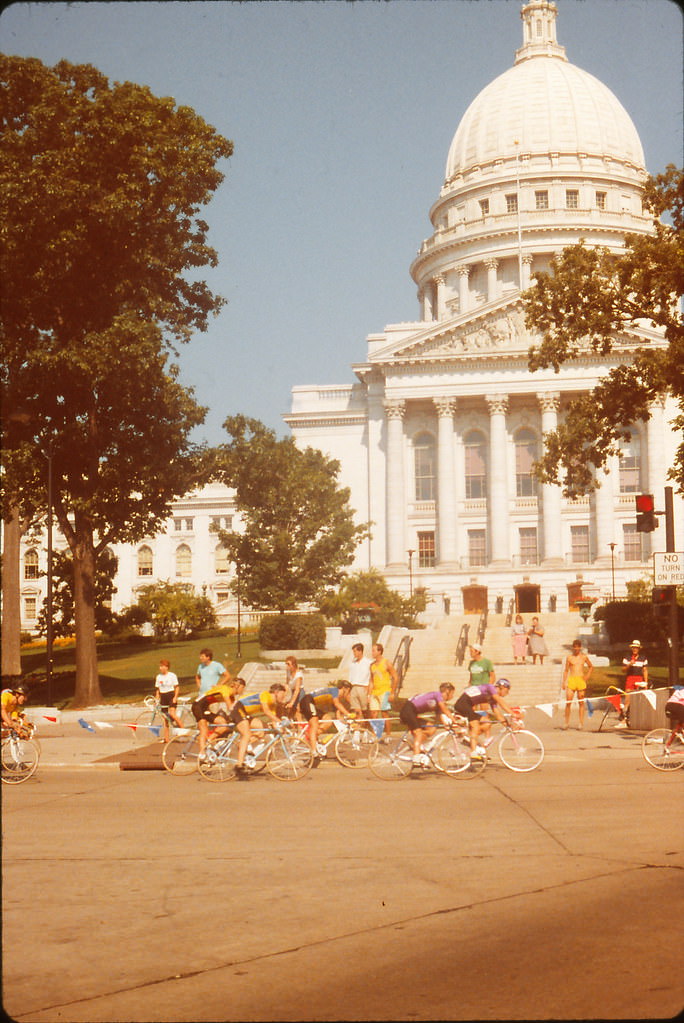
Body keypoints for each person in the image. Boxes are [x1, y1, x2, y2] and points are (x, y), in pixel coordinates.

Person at [230, 683, 290, 779]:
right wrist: (281, 721)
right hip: (238, 709)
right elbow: (266, 711)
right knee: (247, 734)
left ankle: (244, 746)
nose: (284, 697)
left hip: (246, 714)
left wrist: (282, 729)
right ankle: (239, 764)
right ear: (276, 692)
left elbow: (273, 721)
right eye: (283, 694)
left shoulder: (273, 704)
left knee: (264, 730)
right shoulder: (265, 695)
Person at [453, 678, 516, 758]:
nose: (507, 693)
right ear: (502, 687)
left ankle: (468, 739)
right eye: (507, 691)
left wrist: (506, 724)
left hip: (468, 705)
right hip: (463, 704)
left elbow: (497, 713)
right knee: (475, 725)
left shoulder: (493, 698)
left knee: (486, 723)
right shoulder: (490, 688)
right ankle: (473, 752)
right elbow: (501, 702)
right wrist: (513, 714)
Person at [192, 676, 245, 764]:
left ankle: (208, 741)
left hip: (205, 707)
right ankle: (202, 754)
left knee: (224, 724)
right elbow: (229, 707)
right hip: (198, 705)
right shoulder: (226, 690)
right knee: (204, 729)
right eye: (242, 688)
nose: (242, 691)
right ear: (237, 686)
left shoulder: (232, 696)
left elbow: (233, 709)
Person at [298, 681, 353, 765]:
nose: (348, 695)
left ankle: (312, 737)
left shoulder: (335, 697)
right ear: (346, 689)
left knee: (328, 720)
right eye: (349, 693)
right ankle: (313, 751)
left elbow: (338, 716)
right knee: (314, 722)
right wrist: (348, 714)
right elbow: (337, 704)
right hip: (307, 700)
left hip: (313, 704)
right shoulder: (334, 691)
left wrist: (346, 720)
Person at [399, 683, 455, 765]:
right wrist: (453, 719)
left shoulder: (438, 701)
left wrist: (447, 726)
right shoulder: (438, 695)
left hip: (412, 712)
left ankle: (416, 744)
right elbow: (444, 708)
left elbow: (439, 716)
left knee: (432, 728)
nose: (452, 696)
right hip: (408, 710)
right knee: (418, 733)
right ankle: (416, 759)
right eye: (452, 693)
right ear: (447, 691)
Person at [369, 643, 399, 741]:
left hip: (385, 691)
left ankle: (388, 734)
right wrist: (369, 694)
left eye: (374, 650)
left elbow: (395, 677)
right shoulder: (372, 665)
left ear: (379, 651)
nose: (372, 652)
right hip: (375, 692)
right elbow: (371, 680)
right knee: (373, 713)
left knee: (385, 713)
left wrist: (392, 692)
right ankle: (375, 734)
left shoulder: (386, 663)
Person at [561, 640, 593, 730]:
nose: (576, 649)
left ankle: (581, 723)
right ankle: (566, 722)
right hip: (572, 680)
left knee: (581, 702)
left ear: (580, 647)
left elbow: (591, 666)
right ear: (573, 647)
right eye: (574, 647)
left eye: (578, 647)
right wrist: (564, 682)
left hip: (580, 679)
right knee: (568, 702)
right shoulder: (569, 658)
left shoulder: (584, 657)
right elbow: (566, 670)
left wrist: (587, 676)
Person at [617, 640, 648, 728]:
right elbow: (623, 670)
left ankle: (636, 719)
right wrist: (629, 664)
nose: (635, 649)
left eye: (636, 648)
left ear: (639, 649)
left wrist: (646, 683)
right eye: (633, 647)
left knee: (639, 701)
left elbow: (645, 670)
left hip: (639, 679)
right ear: (631, 648)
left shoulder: (643, 658)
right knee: (627, 700)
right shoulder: (627, 657)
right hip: (630, 678)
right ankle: (623, 720)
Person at [154, 659, 184, 743]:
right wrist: (157, 698)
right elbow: (158, 689)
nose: (162, 668)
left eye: (163, 666)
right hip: (163, 696)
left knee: (172, 714)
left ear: (167, 667)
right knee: (164, 718)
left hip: (170, 695)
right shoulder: (158, 677)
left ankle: (183, 730)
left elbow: (177, 687)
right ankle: (166, 738)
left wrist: (175, 697)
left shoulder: (172, 675)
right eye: (160, 666)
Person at [348, 642, 373, 726]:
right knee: (356, 711)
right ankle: (358, 730)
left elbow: (370, 678)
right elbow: (351, 677)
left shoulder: (368, 663)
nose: (354, 653)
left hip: (363, 687)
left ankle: (367, 728)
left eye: (355, 651)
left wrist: (369, 691)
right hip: (354, 687)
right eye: (353, 651)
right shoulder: (353, 664)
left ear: (360, 651)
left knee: (365, 711)